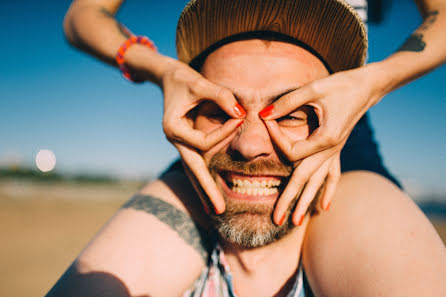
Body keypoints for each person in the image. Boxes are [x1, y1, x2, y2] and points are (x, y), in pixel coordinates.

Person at [47, 0, 446, 296]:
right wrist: (162, 70)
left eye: (289, 112)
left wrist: (369, 83)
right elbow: (84, 15)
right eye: (223, 110)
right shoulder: (222, 140)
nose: (250, 145)